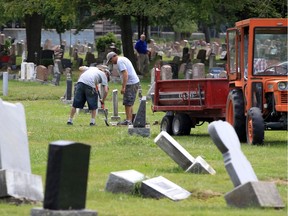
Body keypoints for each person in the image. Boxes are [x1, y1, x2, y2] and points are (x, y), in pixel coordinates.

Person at [106, 51, 140, 125]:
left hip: (130, 83)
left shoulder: (119, 61)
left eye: (111, 60)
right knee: (129, 102)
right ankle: (130, 119)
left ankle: (128, 120)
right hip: (133, 82)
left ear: (114, 57)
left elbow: (125, 74)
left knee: (127, 102)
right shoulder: (122, 59)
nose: (111, 62)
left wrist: (123, 87)